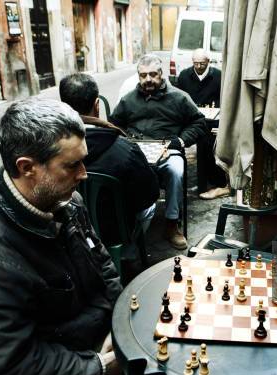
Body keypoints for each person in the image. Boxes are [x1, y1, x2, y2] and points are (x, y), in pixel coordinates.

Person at [0, 98, 128, 375]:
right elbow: (10, 367)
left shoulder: (64, 201)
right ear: (27, 168)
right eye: (71, 165)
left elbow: (103, 266)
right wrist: (100, 365)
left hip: (82, 342)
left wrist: (119, 326)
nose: (84, 174)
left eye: (84, 160)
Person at [109, 54, 207, 250]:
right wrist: (127, 138)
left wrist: (180, 141)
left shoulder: (179, 97)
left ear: (161, 74)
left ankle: (172, 223)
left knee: (175, 171)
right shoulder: (128, 101)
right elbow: (113, 124)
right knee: (114, 170)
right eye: (143, 75)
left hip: (167, 150)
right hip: (136, 152)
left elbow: (199, 122)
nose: (148, 80)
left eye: (153, 75)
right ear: (138, 76)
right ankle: (128, 224)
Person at [59, 73, 159, 239]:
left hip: (71, 229)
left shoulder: (48, 148)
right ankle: (129, 251)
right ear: (97, 105)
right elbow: (149, 195)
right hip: (115, 231)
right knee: (148, 208)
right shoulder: (126, 149)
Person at [175, 48, 229, 200]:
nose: (198, 67)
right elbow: (180, 98)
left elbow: (223, 98)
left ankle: (212, 179)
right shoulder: (185, 75)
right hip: (191, 119)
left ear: (208, 62)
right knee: (200, 135)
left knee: (209, 138)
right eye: (195, 63)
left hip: (213, 118)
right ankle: (203, 181)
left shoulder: (218, 76)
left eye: (202, 64)